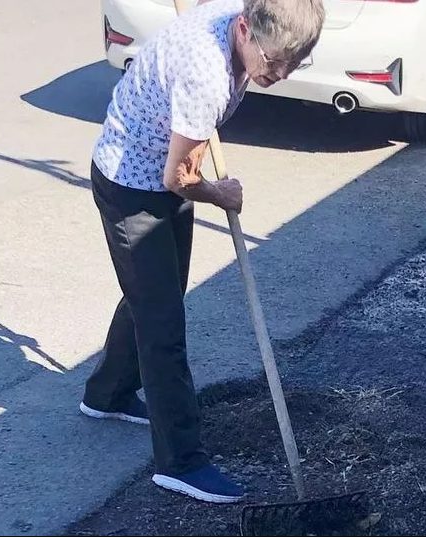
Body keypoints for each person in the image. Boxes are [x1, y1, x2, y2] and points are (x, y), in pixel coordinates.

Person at [79, 0, 325, 504]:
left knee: (157, 294)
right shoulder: (206, 76)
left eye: (292, 63)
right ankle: (181, 461)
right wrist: (223, 193)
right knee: (162, 322)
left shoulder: (247, 15)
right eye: (273, 62)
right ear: (242, 29)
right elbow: (180, 177)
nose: (277, 75)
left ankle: (108, 393)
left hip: (159, 176)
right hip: (131, 181)